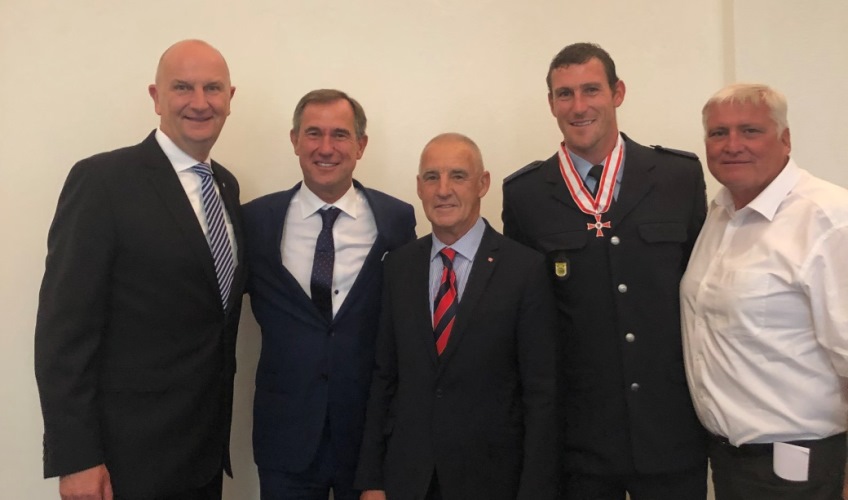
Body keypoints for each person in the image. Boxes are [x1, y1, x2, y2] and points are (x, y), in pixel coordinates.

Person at [34, 39, 244, 499]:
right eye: (182, 87)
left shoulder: (226, 187)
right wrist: (77, 458)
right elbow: (63, 333)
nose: (199, 101)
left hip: (204, 456)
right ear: (155, 97)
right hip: (124, 462)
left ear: (231, 98)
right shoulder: (103, 182)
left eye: (213, 88)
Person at [501, 42, 708, 499]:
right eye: (564, 94)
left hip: (671, 432)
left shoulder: (678, 177)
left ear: (618, 92)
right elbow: (524, 319)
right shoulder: (527, 195)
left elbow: (705, 299)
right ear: (551, 103)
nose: (579, 107)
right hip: (579, 443)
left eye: (591, 90)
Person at [355, 133, 558, 500]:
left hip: (493, 481)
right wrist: (372, 479)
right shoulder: (398, 267)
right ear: (419, 187)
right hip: (409, 479)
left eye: (458, 176)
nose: (443, 189)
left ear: (483, 183)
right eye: (432, 177)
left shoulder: (524, 269)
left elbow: (540, 394)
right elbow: (384, 376)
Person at [242, 89, 416, 500]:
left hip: (369, 438)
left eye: (339, 135)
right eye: (313, 133)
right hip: (286, 437)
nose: (325, 148)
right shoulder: (256, 220)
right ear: (294, 140)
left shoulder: (397, 219)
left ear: (361, 145)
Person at [681, 83, 848, 500]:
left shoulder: (827, 219)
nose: (732, 145)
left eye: (750, 131)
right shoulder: (721, 213)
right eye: (718, 134)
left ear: (785, 139)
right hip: (731, 461)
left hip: (804, 468)